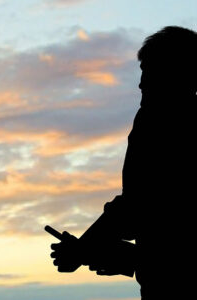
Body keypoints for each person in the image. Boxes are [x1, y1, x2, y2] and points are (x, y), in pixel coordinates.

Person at [50, 26, 197, 299]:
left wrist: (84, 249)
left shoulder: (157, 124)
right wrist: (89, 249)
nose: (141, 84)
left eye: (150, 73)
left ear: (177, 75)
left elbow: (140, 208)